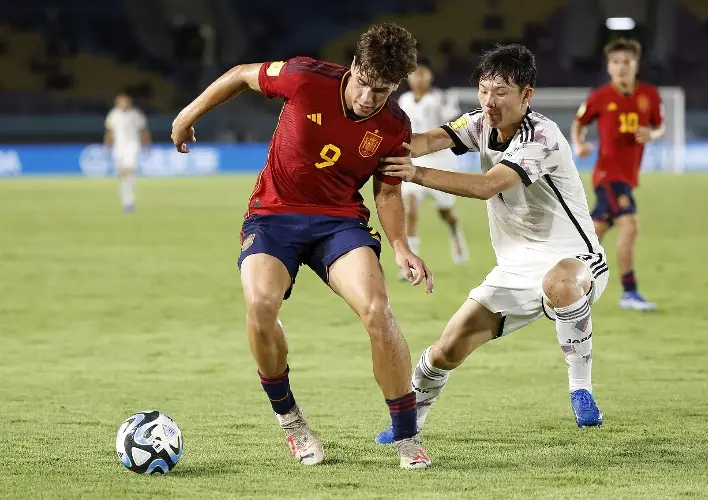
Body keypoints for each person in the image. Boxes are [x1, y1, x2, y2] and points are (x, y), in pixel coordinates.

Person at [171, 23, 433, 469]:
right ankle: (291, 421)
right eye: (365, 84)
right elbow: (238, 74)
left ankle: (406, 437)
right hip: (274, 216)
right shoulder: (305, 77)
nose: (369, 98)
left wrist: (401, 246)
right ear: (353, 67)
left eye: (382, 90)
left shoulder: (394, 126)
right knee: (260, 305)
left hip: (339, 223)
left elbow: (387, 192)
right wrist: (186, 116)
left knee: (377, 311)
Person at [375, 44, 609, 445]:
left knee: (559, 283)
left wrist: (414, 173)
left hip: (575, 258)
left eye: (501, 92)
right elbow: (430, 139)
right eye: (484, 90)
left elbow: (486, 186)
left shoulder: (543, 135)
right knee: (445, 349)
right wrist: (373, 143)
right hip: (515, 268)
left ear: (526, 95)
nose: (490, 101)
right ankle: (409, 423)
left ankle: (580, 389)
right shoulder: (480, 123)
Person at [571, 38, 664, 311]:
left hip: (627, 175)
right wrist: (579, 144)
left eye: (627, 62)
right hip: (609, 175)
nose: (621, 67)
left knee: (592, 234)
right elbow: (580, 121)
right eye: (616, 62)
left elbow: (660, 127)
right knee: (630, 226)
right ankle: (629, 292)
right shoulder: (600, 97)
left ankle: (564, 279)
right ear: (609, 67)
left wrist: (652, 134)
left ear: (636, 64)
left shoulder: (650, 95)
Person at [397, 57, 468, 272]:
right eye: (414, 74)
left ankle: (455, 232)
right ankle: (410, 263)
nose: (417, 78)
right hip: (414, 159)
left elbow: (456, 122)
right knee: (410, 209)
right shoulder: (405, 100)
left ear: (430, 76)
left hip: (440, 161)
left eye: (422, 73)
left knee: (445, 212)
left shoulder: (440, 98)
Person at [104, 93, 150, 213]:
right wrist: (107, 145)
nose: (123, 104)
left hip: (132, 146)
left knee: (127, 169)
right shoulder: (113, 114)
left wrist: (147, 144)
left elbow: (143, 131)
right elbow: (109, 131)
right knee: (123, 175)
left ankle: (129, 200)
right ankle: (127, 201)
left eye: (125, 101)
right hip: (118, 147)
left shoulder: (136, 114)